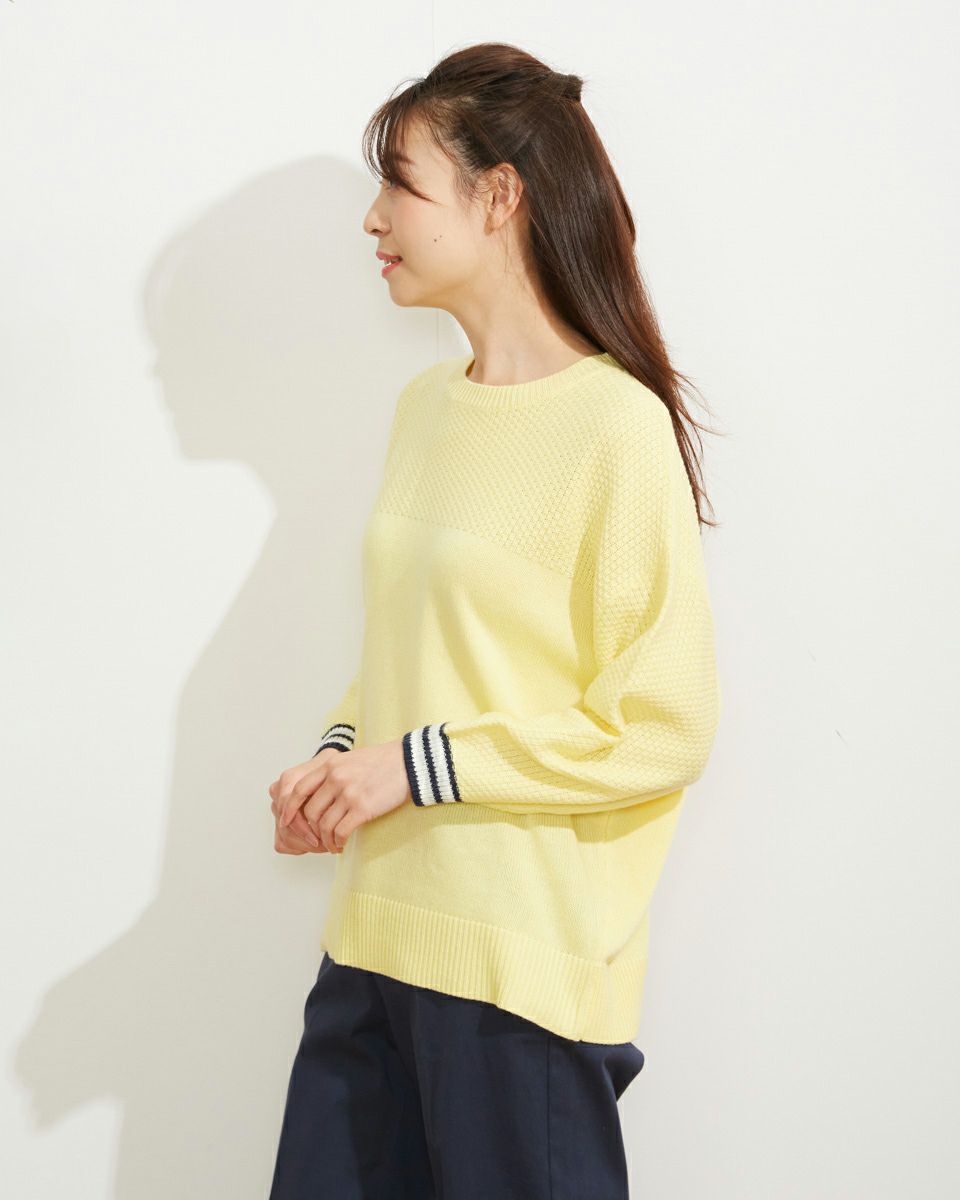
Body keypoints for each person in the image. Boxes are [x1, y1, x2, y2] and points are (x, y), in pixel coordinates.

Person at [267, 40, 722, 1200]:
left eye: (401, 184)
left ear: (500, 194)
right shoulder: (425, 408)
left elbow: (662, 723)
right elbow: (410, 651)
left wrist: (412, 767)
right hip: (373, 939)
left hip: (516, 977)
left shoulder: (614, 428)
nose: (373, 219)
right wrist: (340, 760)